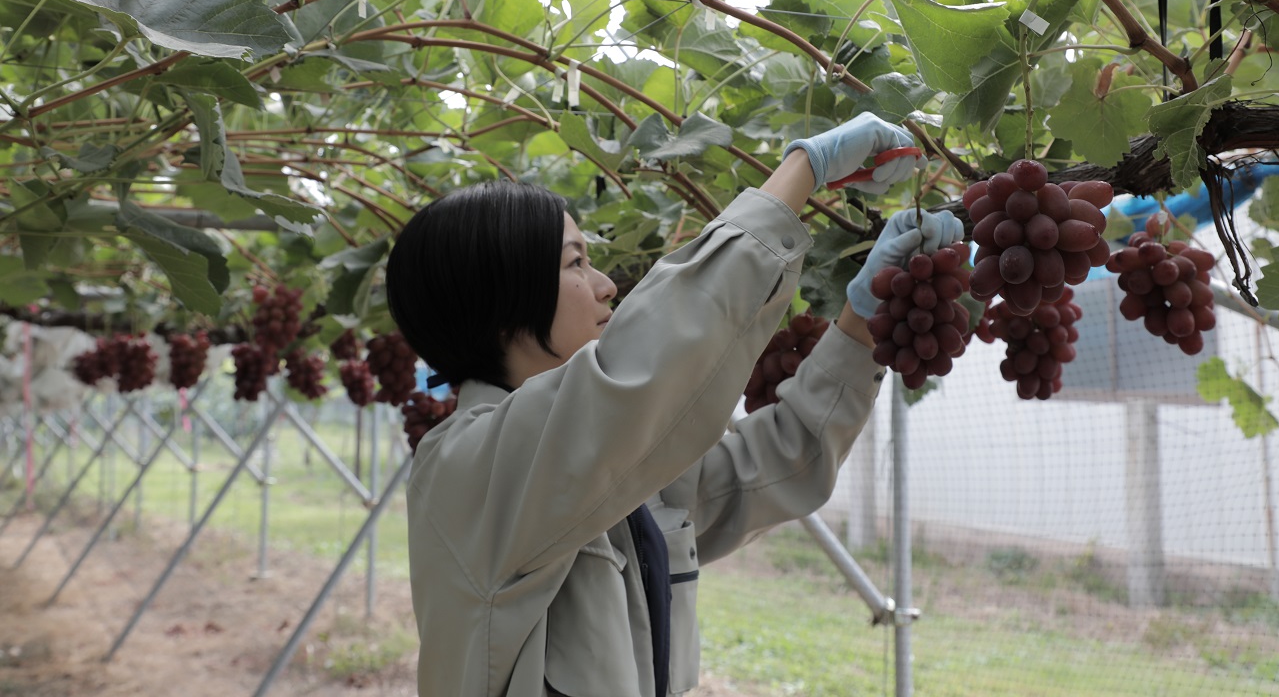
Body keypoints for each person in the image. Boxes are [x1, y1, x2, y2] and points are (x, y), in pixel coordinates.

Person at [385, 112, 963, 697]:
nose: (607, 283)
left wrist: (862, 318)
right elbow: (646, 369)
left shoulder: (614, 472)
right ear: (503, 303)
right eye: (575, 263)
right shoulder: (466, 470)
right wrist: (801, 170)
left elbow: (776, 464)